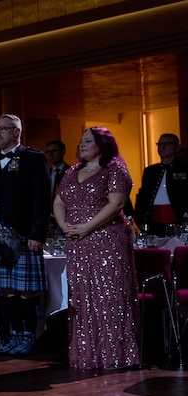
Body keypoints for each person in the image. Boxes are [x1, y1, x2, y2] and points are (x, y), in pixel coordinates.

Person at [53, 127, 139, 371]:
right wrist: (64, 225)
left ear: (103, 144)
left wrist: (87, 227)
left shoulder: (115, 169)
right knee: (83, 298)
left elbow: (117, 203)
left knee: (109, 295)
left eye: (88, 141)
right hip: (77, 242)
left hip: (106, 239)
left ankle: (116, 355)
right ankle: (88, 354)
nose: (81, 145)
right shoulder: (72, 171)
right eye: (80, 141)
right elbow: (59, 201)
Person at [0, 114, 51, 355]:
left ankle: (28, 336)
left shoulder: (33, 158)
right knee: (6, 288)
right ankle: (14, 334)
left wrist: (37, 234)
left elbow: (42, 199)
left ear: (17, 132)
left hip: (23, 233)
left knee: (26, 288)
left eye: (3, 129)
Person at [134, 133, 188, 235]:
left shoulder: (184, 168)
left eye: (167, 144)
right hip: (154, 225)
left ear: (177, 147)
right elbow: (143, 197)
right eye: (159, 144)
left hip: (179, 224)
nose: (162, 147)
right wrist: (140, 219)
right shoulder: (150, 171)